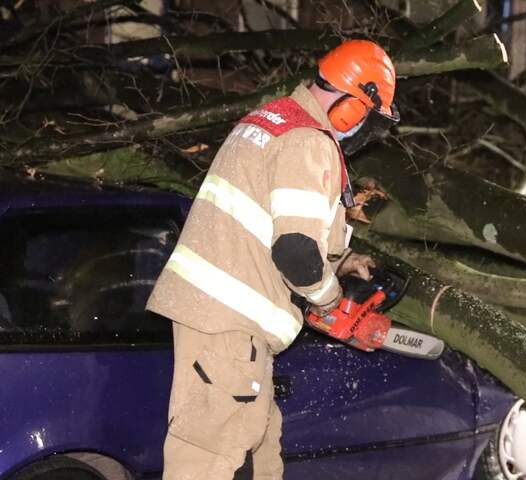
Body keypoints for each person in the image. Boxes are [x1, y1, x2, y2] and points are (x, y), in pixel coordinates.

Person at [146, 39, 399, 480]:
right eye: (368, 117)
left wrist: (340, 262)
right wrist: (329, 300)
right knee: (207, 460)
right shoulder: (307, 142)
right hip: (229, 324)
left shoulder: (272, 120)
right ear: (353, 106)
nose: (364, 129)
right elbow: (295, 251)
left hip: (222, 321)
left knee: (261, 448)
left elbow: (269, 228)